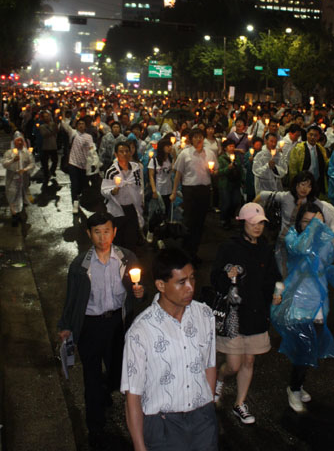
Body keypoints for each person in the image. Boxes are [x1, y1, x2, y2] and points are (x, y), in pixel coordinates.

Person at [58, 212, 144, 447]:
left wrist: (139, 292)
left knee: (119, 373)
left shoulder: (126, 258)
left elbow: (139, 288)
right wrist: (66, 326)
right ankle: (95, 427)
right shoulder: (80, 266)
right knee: (91, 378)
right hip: (90, 326)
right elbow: (72, 299)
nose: (102, 237)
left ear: (114, 232)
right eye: (97, 232)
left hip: (117, 324)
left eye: (107, 231)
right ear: (89, 234)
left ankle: (106, 389)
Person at [121, 248, 218, 451]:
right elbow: (133, 396)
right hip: (162, 425)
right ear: (161, 285)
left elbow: (209, 365)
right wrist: (139, 446)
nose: (190, 287)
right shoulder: (140, 332)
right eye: (181, 282)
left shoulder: (204, 315)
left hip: (203, 421)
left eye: (192, 279)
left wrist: (208, 405)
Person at [271, 202, 334, 412]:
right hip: (298, 302)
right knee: (303, 347)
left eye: (314, 221)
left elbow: (326, 267)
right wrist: (316, 226)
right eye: (306, 221)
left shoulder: (325, 241)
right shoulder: (292, 237)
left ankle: (298, 385)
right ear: (299, 221)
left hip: (318, 303)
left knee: (310, 347)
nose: (310, 225)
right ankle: (294, 388)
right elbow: (301, 248)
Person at [210, 203, 281, 425]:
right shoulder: (230, 247)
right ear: (242, 223)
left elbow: (272, 278)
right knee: (233, 364)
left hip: (257, 314)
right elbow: (215, 279)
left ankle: (239, 403)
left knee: (249, 360)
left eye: (261, 223)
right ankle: (220, 378)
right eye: (252, 223)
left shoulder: (266, 249)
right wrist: (226, 276)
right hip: (234, 314)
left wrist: (275, 294)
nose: (257, 227)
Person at [170, 128, 217, 264]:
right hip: (190, 190)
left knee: (200, 223)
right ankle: (185, 253)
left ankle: (194, 252)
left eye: (200, 137)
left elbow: (216, 170)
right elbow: (178, 173)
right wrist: (174, 192)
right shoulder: (185, 154)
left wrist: (213, 172)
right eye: (195, 137)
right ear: (191, 139)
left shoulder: (209, 153)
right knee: (189, 222)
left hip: (204, 189)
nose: (198, 139)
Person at [101, 141, 144, 252]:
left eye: (127, 151)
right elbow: (104, 190)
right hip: (118, 209)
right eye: (121, 151)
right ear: (116, 154)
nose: (124, 154)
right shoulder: (111, 171)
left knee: (131, 237)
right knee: (118, 237)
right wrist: (112, 191)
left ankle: (130, 257)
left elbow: (139, 186)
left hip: (132, 207)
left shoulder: (136, 168)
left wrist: (141, 200)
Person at [61, 113, 94, 214]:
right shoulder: (73, 133)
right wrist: (63, 112)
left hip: (84, 165)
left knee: (82, 185)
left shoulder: (88, 137)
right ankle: (74, 204)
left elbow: (92, 149)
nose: (81, 126)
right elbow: (64, 125)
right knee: (74, 184)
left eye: (83, 124)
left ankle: (79, 198)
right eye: (79, 124)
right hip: (73, 163)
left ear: (85, 126)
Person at [2, 131, 35, 226]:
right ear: (14, 142)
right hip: (12, 179)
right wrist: (13, 160)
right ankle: (14, 215)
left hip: (23, 179)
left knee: (21, 196)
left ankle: (19, 213)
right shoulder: (9, 153)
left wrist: (25, 169)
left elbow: (32, 163)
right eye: (18, 141)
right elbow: (4, 164)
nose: (20, 142)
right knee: (12, 196)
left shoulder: (27, 153)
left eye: (21, 140)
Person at [289, 125, 328, 196]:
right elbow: (293, 168)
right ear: (307, 135)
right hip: (303, 182)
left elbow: (325, 164)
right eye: (311, 135)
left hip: (317, 181)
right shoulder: (298, 148)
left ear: (319, 137)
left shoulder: (321, 149)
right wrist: (295, 183)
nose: (312, 137)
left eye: (315, 135)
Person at [218, 139, 244, 229]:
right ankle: (224, 220)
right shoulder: (221, 158)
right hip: (225, 183)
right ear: (225, 148)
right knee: (226, 202)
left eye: (233, 146)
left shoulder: (236, 157)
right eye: (230, 146)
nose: (232, 148)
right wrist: (228, 168)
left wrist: (242, 180)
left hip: (235, 183)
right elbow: (219, 172)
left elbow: (240, 169)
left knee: (236, 201)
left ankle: (229, 216)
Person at [38, 110, 58, 185]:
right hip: (46, 146)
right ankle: (46, 175)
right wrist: (52, 131)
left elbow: (57, 131)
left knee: (55, 160)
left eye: (48, 116)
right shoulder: (42, 126)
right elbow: (45, 134)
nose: (47, 118)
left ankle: (52, 171)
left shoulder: (53, 124)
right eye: (45, 117)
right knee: (45, 162)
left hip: (53, 145)